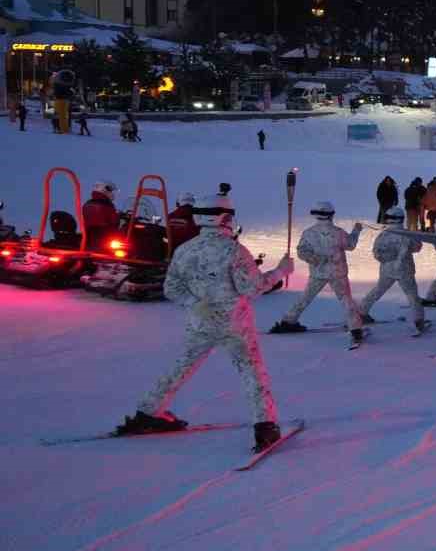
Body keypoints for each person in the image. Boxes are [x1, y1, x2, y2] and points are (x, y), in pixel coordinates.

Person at [116, 193, 295, 453]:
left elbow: (171, 288)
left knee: (182, 366)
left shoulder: (184, 250)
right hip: (234, 326)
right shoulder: (234, 250)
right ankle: (265, 426)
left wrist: (194, 303)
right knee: (251, 371)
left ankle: (148, 412)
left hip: (200, 323)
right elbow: (253, 288)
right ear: (224, 218)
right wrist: (280, 271)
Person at [270, 200, 364, 335]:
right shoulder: (338, 233)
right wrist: (356, 230)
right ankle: (355, 328)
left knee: (305, 298)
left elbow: (301, 251)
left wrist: (314, 259)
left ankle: (288, 321)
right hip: (337, 273)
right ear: (331, 215)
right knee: (346, 299)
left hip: (317, 273)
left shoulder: (308, 233)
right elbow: (350, 245)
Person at [359, 208, 426, 339]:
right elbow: (417, 247)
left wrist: (387, 259)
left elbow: (376, 253)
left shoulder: (383, 235)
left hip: (387, 270)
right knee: (412, 295)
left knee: (378, 290)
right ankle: (418, 320)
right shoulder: (407, 234)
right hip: (404, 270)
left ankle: (362, 312)